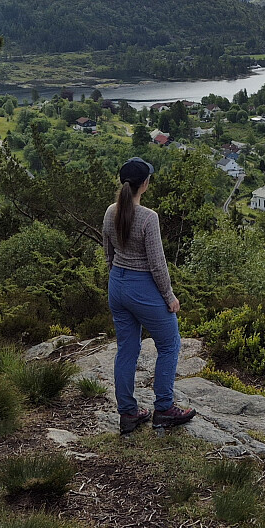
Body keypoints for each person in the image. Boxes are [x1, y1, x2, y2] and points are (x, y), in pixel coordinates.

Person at [103, 156, 196, 433]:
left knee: (127, 349)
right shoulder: (148, 217)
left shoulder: (110, 211)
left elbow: (108, 251)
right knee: (169, 343)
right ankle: (165, 408)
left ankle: (129, 413)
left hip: (116, 284)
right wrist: (169, 297)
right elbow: (157, 263)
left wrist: (117, 276)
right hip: (141, 286)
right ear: (144, 184)